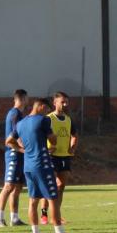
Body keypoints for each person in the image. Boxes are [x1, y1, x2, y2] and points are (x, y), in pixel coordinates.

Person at [8, 97, 75, 233]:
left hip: (28, 166)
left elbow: (9, 141)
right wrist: (52, 142)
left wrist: (22, 149)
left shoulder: (21, 123)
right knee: (53, 198)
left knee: (33, 200)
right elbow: (53, 139)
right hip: (42, 164)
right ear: (41, 106)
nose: (47, 112)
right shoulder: (43, 120)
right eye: (46, 109)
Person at [42, 91, 79, 225]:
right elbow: (41, 136)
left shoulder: (68, 119)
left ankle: (57, 215)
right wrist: (45, 149)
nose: (65, 104)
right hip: (51, 156)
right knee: (51, 185)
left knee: (61, 186)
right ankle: (44, 214)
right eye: (62, 102)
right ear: (54, 102)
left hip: (65, 156)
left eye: (66, 102)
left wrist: (72, 147)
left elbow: (74, 135)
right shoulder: (48, 118)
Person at [0, 89, 28, 228]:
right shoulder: (15, 113)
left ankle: (14, 217)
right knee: (8, 186)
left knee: (18, 186)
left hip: (20, 154)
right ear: (24, 98)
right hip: (13, 153)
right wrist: (25, 147)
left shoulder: (19, 114)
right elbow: (16, 135)